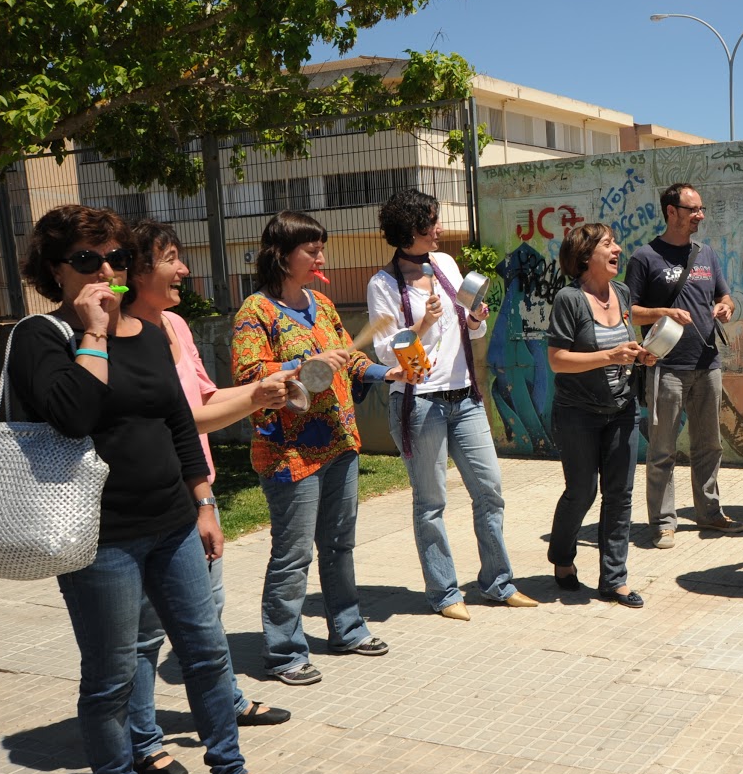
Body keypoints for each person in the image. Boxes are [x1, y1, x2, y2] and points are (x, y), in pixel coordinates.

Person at [11, 205, 294, 774]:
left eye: (114, 258)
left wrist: (203, 501)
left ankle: (229, 771)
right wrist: (93, 332)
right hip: (98, 539)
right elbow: (75, 415)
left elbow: (177, 420)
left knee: (206, 651)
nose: (105, 270)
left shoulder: (147, 330)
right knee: (111, 677)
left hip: (171, 523)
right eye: (87, 259)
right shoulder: (40, 337)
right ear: (55, 268)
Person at [122, 221, 294, 774]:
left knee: (206, 615)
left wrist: (268, 387)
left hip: (196, 490)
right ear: (135, 270)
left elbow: (206, 397)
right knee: (147, 632)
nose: (184, 268)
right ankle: (142, 741)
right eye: (170, 257)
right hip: (150, 499)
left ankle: (226, 704)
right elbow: (178, 418)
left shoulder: (175, 325)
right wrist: (257, 398)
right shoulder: (119, 334)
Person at [232, 210, 396, 686]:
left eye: (321, 248)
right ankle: (283, 651)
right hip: (289, 452)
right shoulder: (255, 312)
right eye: (312, 250)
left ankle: (347, 629)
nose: (321, 258)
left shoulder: (321, 304)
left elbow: (350, 356)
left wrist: (387, 372)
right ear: (282, 256)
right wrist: (306, 363)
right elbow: (248, 376)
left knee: (339, 545)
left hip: (339, 441)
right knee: (294, 553)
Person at [367, 188, 530, 620]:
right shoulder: (382, 284)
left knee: (489, 490)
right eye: (431, 222)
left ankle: (497, 583)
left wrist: (475, 318)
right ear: (410, 229)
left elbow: (471, 330)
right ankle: (444, 593)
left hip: (465, 398)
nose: (439, 229)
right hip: (420, 403)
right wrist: (424, 322)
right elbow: (385, 352)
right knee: (431, 502)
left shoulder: (445, 264)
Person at [626, 183, 741, 548]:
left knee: (709, 445)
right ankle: (663, 522)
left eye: (701, 209)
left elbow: (725, 296)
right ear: (671, 211)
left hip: (708, 363)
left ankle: (709, 512)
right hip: (666, 366)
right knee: (663, 449)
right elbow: (630, 312)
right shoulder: (645, 257)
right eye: (693, 210)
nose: (700, 215)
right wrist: (665, 312)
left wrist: (726, 307)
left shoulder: (706, 254)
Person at [546, 223, 655, 606]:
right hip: (577, 412)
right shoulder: (569, 299)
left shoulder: (621, 293)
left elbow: (622, 345)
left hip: (622, 408)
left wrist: (638, 354)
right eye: (608, 244)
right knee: (582, 492)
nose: (618, 249)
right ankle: (562, 556)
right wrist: (610, 356)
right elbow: (558, 360)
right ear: (585, 255)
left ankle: (614, 579)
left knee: (620, 495)